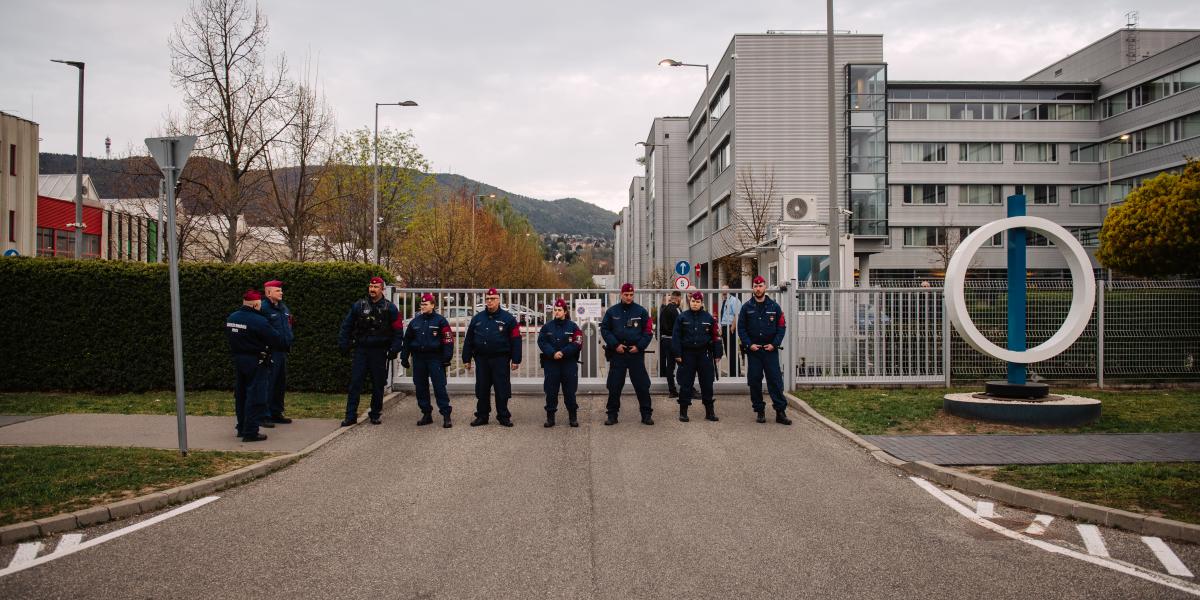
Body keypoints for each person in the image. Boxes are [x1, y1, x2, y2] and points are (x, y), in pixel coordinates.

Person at [338, 276, 403, 426]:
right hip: (362, 349)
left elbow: (398, 330)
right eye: (370, 287)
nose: (372, 290)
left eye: (376, 287)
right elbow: (347, 325)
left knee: (378, 384)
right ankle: (350, 415)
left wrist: (395, 348)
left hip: (379, 351)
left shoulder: (390, 308)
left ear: (382, 289)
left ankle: (375, 413)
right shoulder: (359, 305)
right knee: (355, 383)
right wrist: (343, 343)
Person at [224, 289, 284, 442]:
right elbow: (276, 339)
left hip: (239, 359)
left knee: (241, 394)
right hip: (256, 361)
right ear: (256, 304)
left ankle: (242, 427)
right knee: (256, 395)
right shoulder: (259, 321)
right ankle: (251, 431)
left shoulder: (232, 318)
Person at [463, 288, 522, 427]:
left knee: (502, 389)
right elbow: (469, 340)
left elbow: (516, 340)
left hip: (500, 359)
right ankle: (482, 416)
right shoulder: (477, 319)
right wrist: (466, 358)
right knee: (482, 388)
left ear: (499, 300)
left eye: (493, 298)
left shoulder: (509, 319)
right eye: (488, 299)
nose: (489, 301)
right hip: (482, 359)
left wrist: (516, 359)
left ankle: (503, 416)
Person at [738, 275, 792, 425]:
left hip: (770, 351)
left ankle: (780, 412)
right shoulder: (746, 307)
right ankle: (760, 411)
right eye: (755, 286)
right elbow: (741, 329)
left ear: (765, 287)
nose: (758, 288)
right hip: (754, 351)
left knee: (775, 381)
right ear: (753, 288)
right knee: (754, 381)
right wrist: (749, 344)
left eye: (760, 285)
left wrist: (774, 344)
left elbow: (781, 327)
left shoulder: (774, 307)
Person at [599, 283, 655, 426]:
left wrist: (639, 346)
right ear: (621, 294)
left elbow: (648, 331)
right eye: (626, 295)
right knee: (614, 385)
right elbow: (605, 329)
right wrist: (615, 345)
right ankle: (612, 415)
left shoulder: (641, 311)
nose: (629, 297)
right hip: (618, 353)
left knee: (642, 385)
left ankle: (646, 414)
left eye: (631, 295)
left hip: (635, 353)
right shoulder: (612, 312)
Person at [401, 293, 455, 428]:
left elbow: (448, 340)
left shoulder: (440, 321)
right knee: (420, 387)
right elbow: (407, 340)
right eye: (421, 304)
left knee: (439, 387)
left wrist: (446, 358)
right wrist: (404, 357)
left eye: (425, 304)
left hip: (435, 358)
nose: (422, 306)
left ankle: (446, 415)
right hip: (418, 358)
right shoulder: (415, 322)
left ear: (432, 305)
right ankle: (426, 414)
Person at [673, 291, 723, 423]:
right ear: (690, 302)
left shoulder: (709, 318)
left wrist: (718, 353)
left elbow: (716, 336)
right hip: (687, 354)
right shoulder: (682, 317)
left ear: (701, 303)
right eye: (693, 301)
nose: (695, 304)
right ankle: (683, 412)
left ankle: (709, 412)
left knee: (707, 383)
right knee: (686, 383)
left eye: (698, 302)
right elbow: (676, 337)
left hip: (704, 354)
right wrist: (677, 354)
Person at [537, 298, 583, 427]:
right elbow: (542, 342)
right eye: (555, 310)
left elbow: (578, 342)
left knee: (570, 391)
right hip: (552, 364)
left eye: (559, 310)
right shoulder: (547, 327)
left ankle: (572, 417)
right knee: (551, 391)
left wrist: (563, 352)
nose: (557, 312)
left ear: (565, 311)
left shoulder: (573, 327)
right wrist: (552, 353)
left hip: (568, 363)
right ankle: (550, 418)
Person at [259, 279, 294, 427]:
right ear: (268, 292)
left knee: (280, 383)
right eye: (278, 290)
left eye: (281, 290)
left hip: (282, 351)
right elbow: (261, 330)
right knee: (268, 383)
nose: (281, 292)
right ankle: (264, 415)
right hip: (270, 352)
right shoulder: (263, 308)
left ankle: (276, 412)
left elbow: (288, 325)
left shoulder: (283, 308)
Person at [657, 291, 683, 398]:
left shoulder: (664, 309)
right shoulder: (677, 310)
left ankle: (672, 390)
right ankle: (685, 387)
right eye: (680, 299)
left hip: (665, 340)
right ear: (677, 298)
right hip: (674, 340)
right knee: (682, 365)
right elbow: (681, 325)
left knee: (670, 366)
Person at [719, 285, 742, 377]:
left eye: (725, 290)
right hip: (725, 327)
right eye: (722, 290)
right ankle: (733, 372)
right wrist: (721, 327)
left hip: (730, 327)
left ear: (729, 290)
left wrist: (732, 327)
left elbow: (737, 314)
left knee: (732, 350)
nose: (723, 292)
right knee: (728, 351)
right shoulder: (724, 301)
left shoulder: (734, 300)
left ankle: (735, 372)